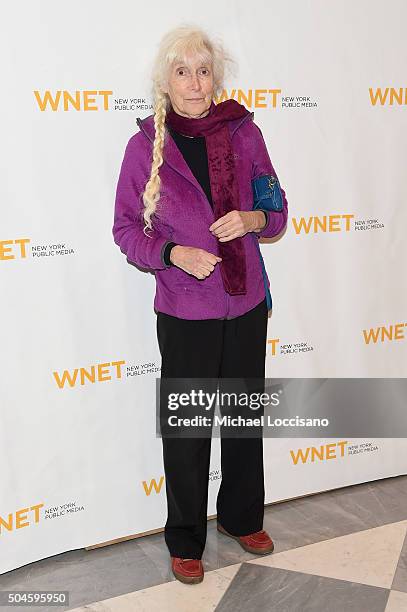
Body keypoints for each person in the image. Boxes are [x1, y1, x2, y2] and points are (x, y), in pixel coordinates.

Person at [112, 24, 288, 585]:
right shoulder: (145, 146)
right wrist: (171, 252)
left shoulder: (244, 132)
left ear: (217, 76)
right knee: (187, 427)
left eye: (203, 70)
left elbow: (277, 207)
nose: (194, 82)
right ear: (166, 80)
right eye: (182, 71)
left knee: (242, 418)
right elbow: (124, 231)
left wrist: (254, 219)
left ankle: (241, 517)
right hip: (185, 309)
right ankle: (185, 538)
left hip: (245, 302)